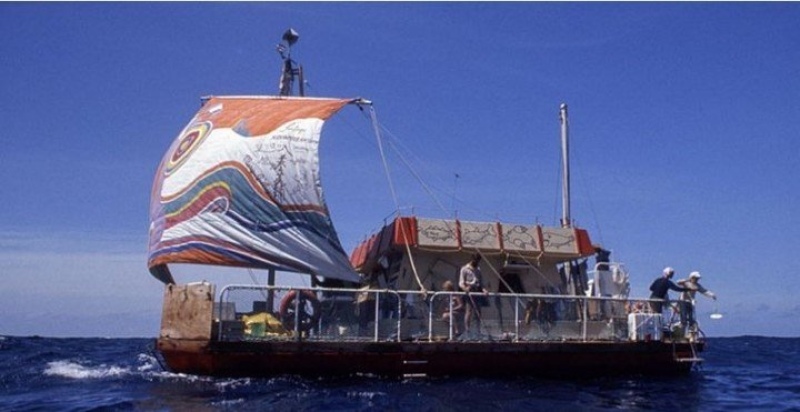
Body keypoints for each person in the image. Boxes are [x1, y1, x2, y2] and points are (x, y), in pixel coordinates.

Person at [676, 271, 716, 336]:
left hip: (691, 302)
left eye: (698, 278)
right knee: (683, 318)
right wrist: (688, 279)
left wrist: (712, 295)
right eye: (696, 278)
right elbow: (678, 282)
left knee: (691, 318)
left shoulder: (697, 286)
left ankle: (690, 334)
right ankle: (681, 333)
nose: (697, 280)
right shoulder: (686, 283)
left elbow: (704, 291)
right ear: (692, 277)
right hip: (683, 301)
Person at [459, 253, 488, 334]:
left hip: (477, 292)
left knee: (478, 311)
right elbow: (461, 283)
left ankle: (478, 330)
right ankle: (467, 330)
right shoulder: (464, 269)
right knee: (469, 311)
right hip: (469, 292)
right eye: (475, 260)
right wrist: (465, 288)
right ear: (472, 260)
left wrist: (484, 290)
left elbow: (481, 283)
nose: (477, 262)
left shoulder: (478, 270)